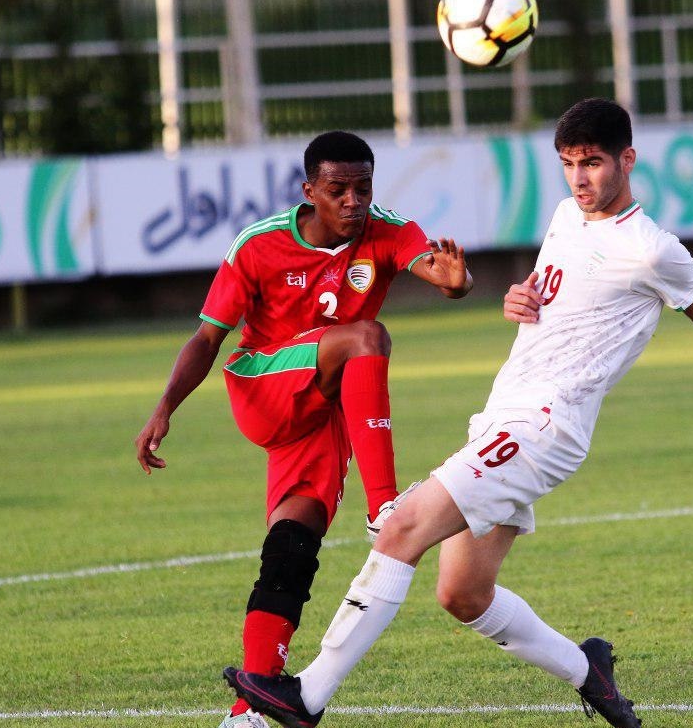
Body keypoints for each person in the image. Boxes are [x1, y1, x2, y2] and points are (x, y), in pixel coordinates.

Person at [223, 99, 693, 728]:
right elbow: (551, 299)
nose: (580, 178)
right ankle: (587, 670)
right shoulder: (567, 217)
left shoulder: (652, 250)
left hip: (544, 426)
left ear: (627, 160)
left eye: (593, 163)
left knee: (402, 526)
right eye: (569, 164)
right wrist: (520, 299)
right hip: (500, 416)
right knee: (463, 593)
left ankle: (305, 699)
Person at [135, 130, 472, 728]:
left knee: (293, 546)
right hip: (263, 386)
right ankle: (384, 508)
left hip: (321, 406)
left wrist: (455, 283)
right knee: (369, 335)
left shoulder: (387, 229)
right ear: (308, 190)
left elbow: (433, 266)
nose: (352, 201)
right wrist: (165, 406)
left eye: (362, 188)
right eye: (337, 189)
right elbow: (208, 337)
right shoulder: (259, 246)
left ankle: (252, 706)